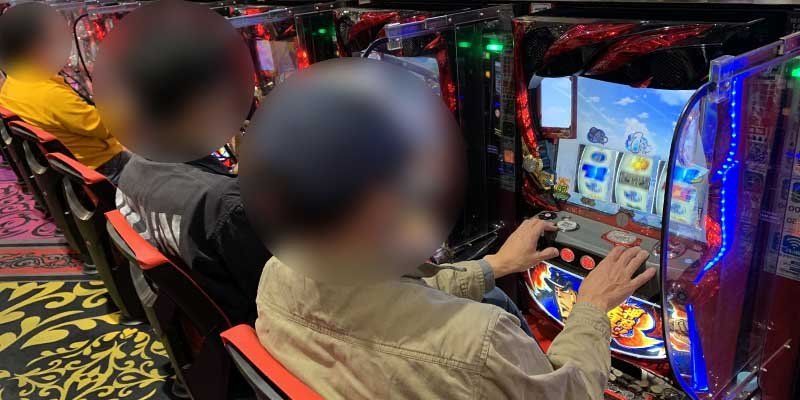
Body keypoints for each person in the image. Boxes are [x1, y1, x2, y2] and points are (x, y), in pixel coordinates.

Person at [241, 58, 657, 399]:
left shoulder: (277, 275)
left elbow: (387, 301)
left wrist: (495, 265)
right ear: (377, 201)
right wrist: (592, 307)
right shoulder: (482, 343)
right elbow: (573, 392)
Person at [93, 1, 266, 324]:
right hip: (250, 328)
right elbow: (279, 292)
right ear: (200, 103)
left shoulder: (134, 164)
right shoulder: (227, 206)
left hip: (197, 324)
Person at [0, 3, 130, 183]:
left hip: (71, 169)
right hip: (104, 167)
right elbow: (108, 128)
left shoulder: (12, 84)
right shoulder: (49, 94)